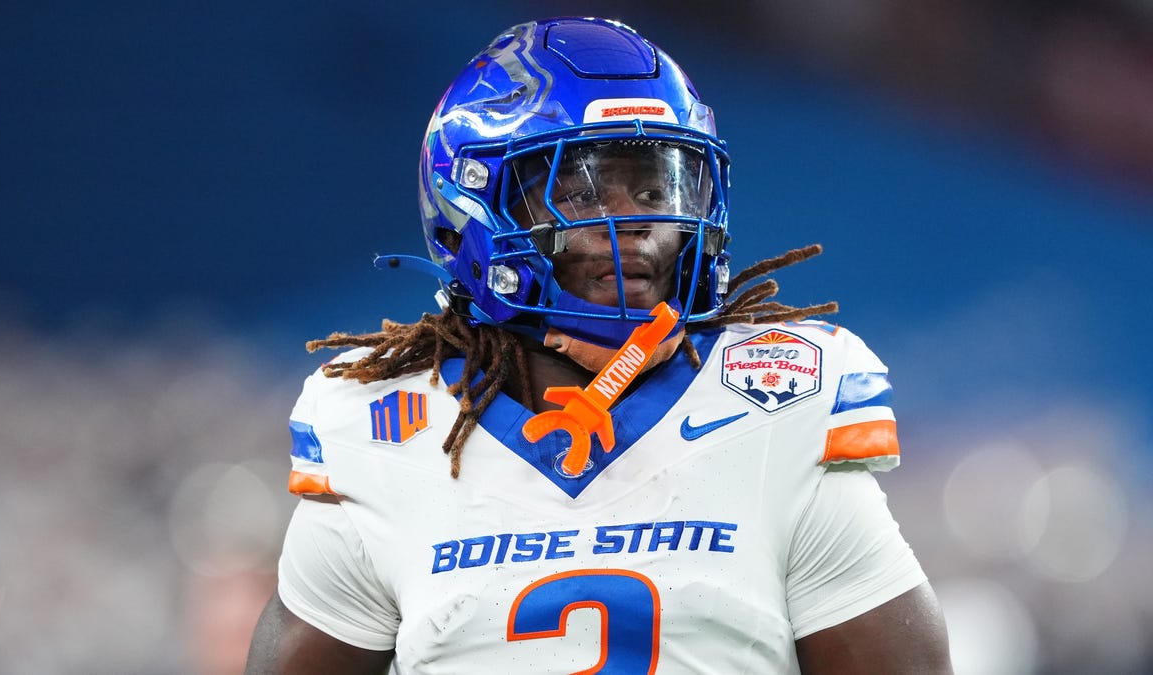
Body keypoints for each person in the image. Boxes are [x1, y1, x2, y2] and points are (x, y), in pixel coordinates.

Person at [245, 16, 952, 675]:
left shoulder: (774, 403)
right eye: (582, 193)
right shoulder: (381, 436)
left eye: (654, 190)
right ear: (472, 206)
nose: (634, 221)